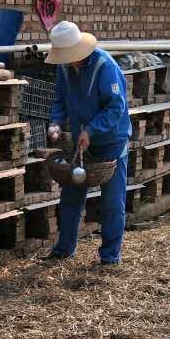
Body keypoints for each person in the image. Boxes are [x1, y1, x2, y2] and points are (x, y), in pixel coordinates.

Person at [43, 20, 132, 265]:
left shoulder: (105, 66)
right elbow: (60, 100)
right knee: (70, 197)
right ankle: (64, 249)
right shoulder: (64, 68)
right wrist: (56, 123)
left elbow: (116, 107)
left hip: (111, 142)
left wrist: (91, 130)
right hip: (82, 142)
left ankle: (110, 257)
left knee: (112, 202)